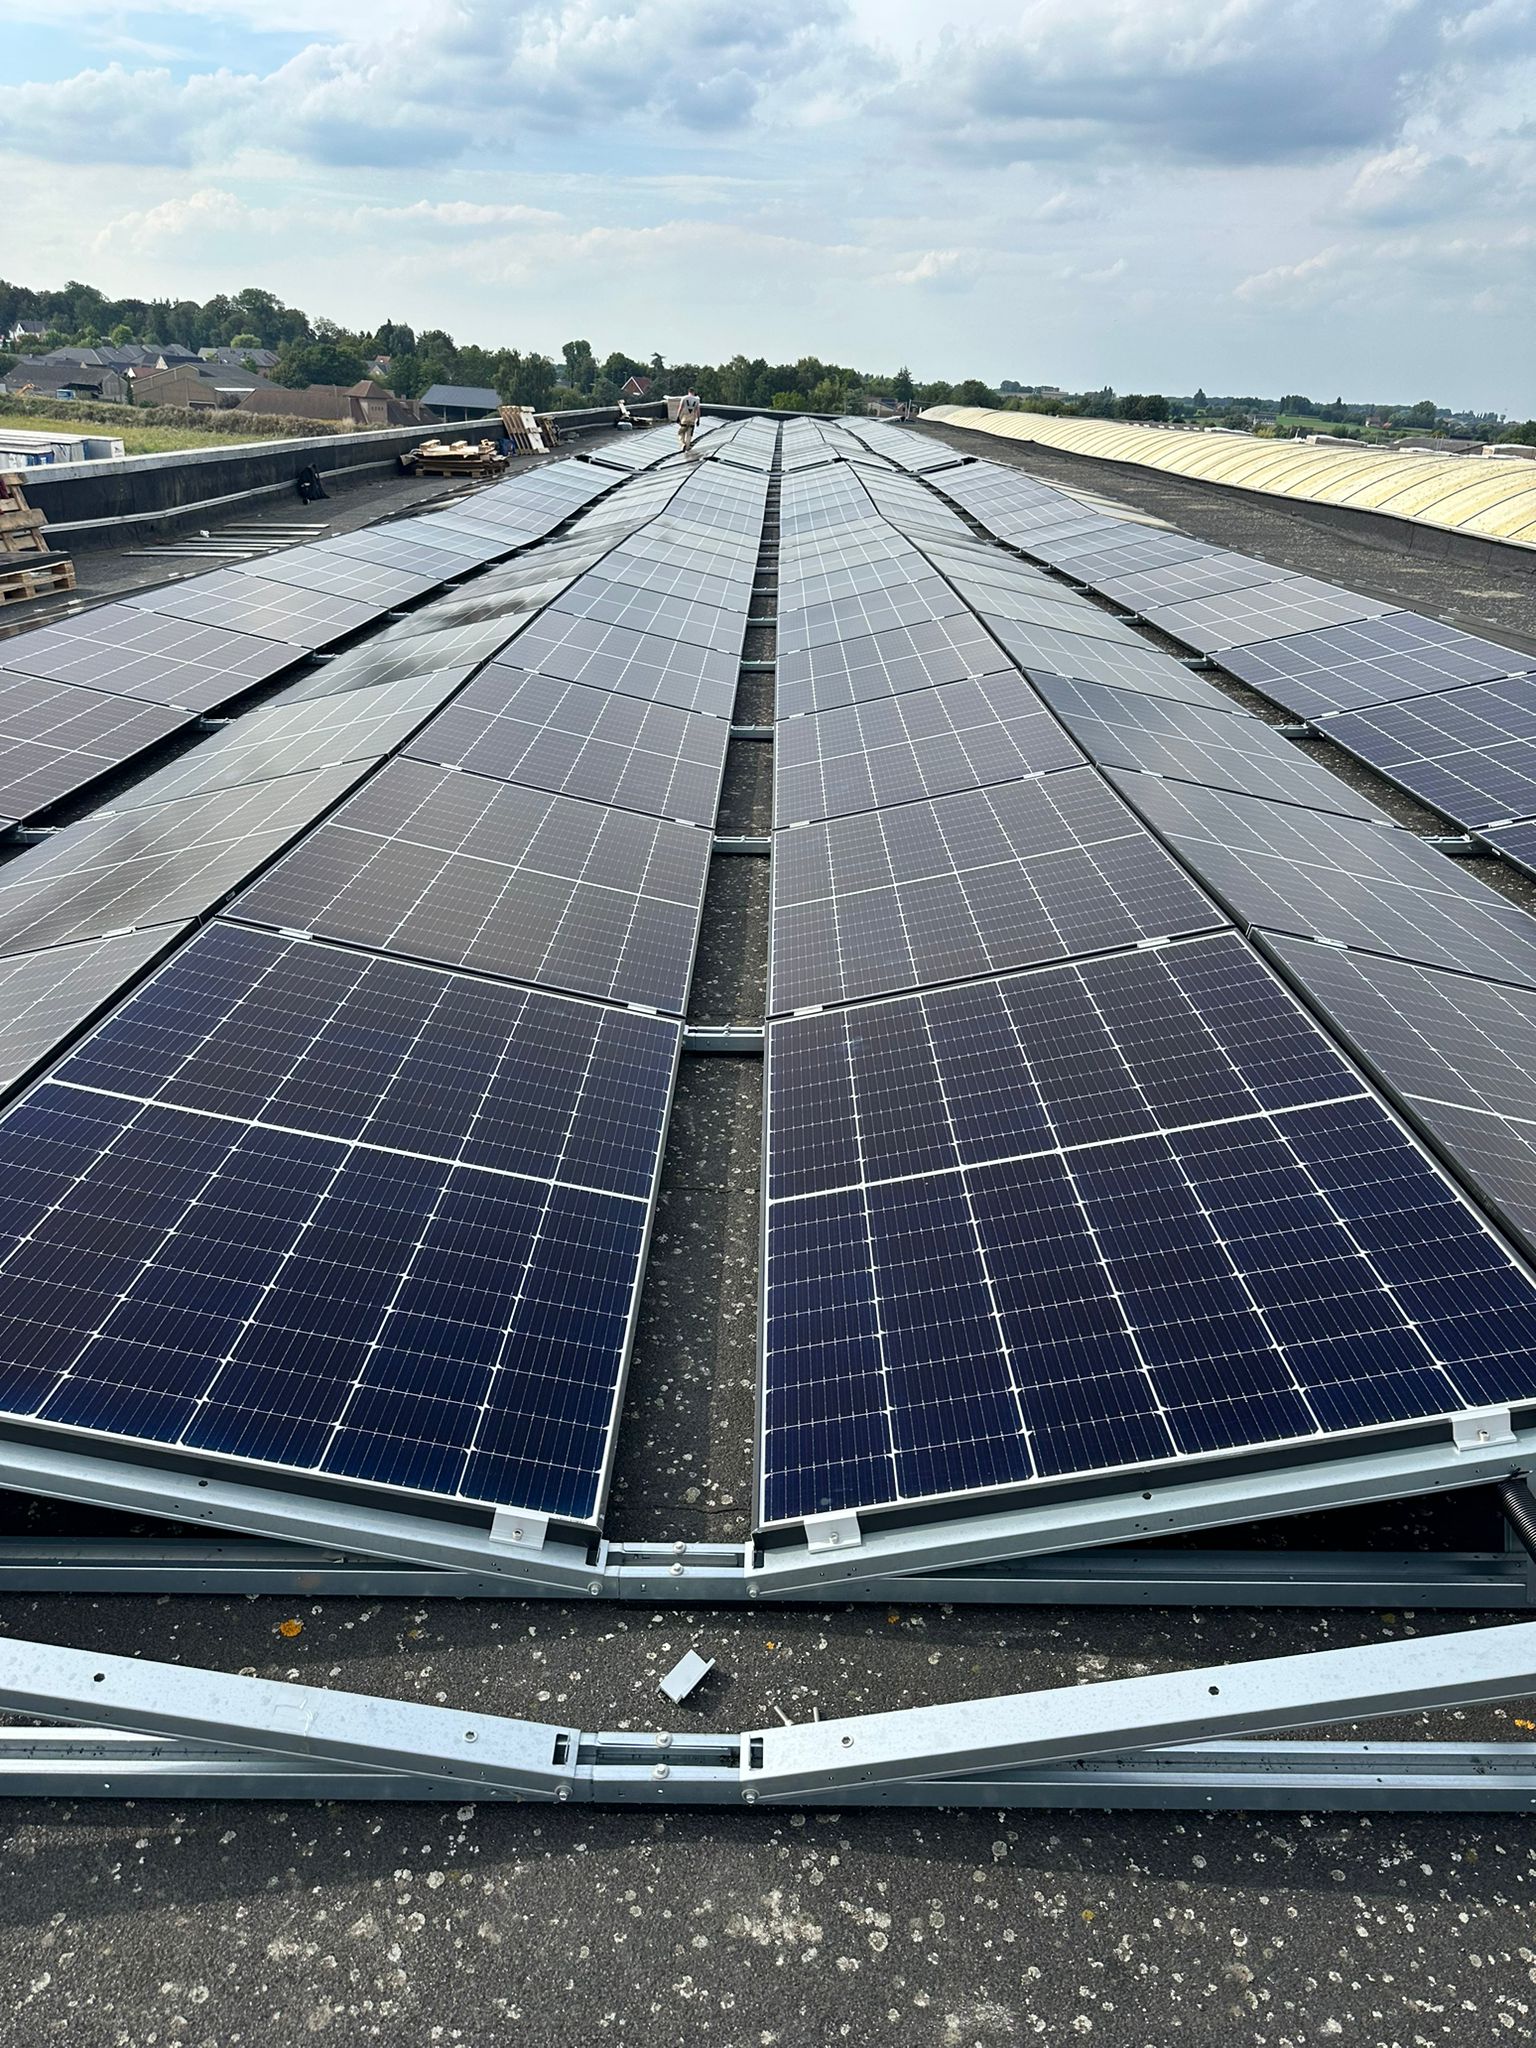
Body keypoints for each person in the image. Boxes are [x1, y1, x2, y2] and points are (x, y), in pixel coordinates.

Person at [676, 389, 701, 454]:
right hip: (692, 419)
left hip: (685, 419)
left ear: (688, 392)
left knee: (681, 433)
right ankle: (687, 448)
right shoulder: (697, 400)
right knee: (689, 435)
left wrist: (678, 417)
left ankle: (682, 444)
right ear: (694, 392)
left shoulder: (684, 398)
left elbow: (680, 408)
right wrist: (698, 419)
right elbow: (698, 411)